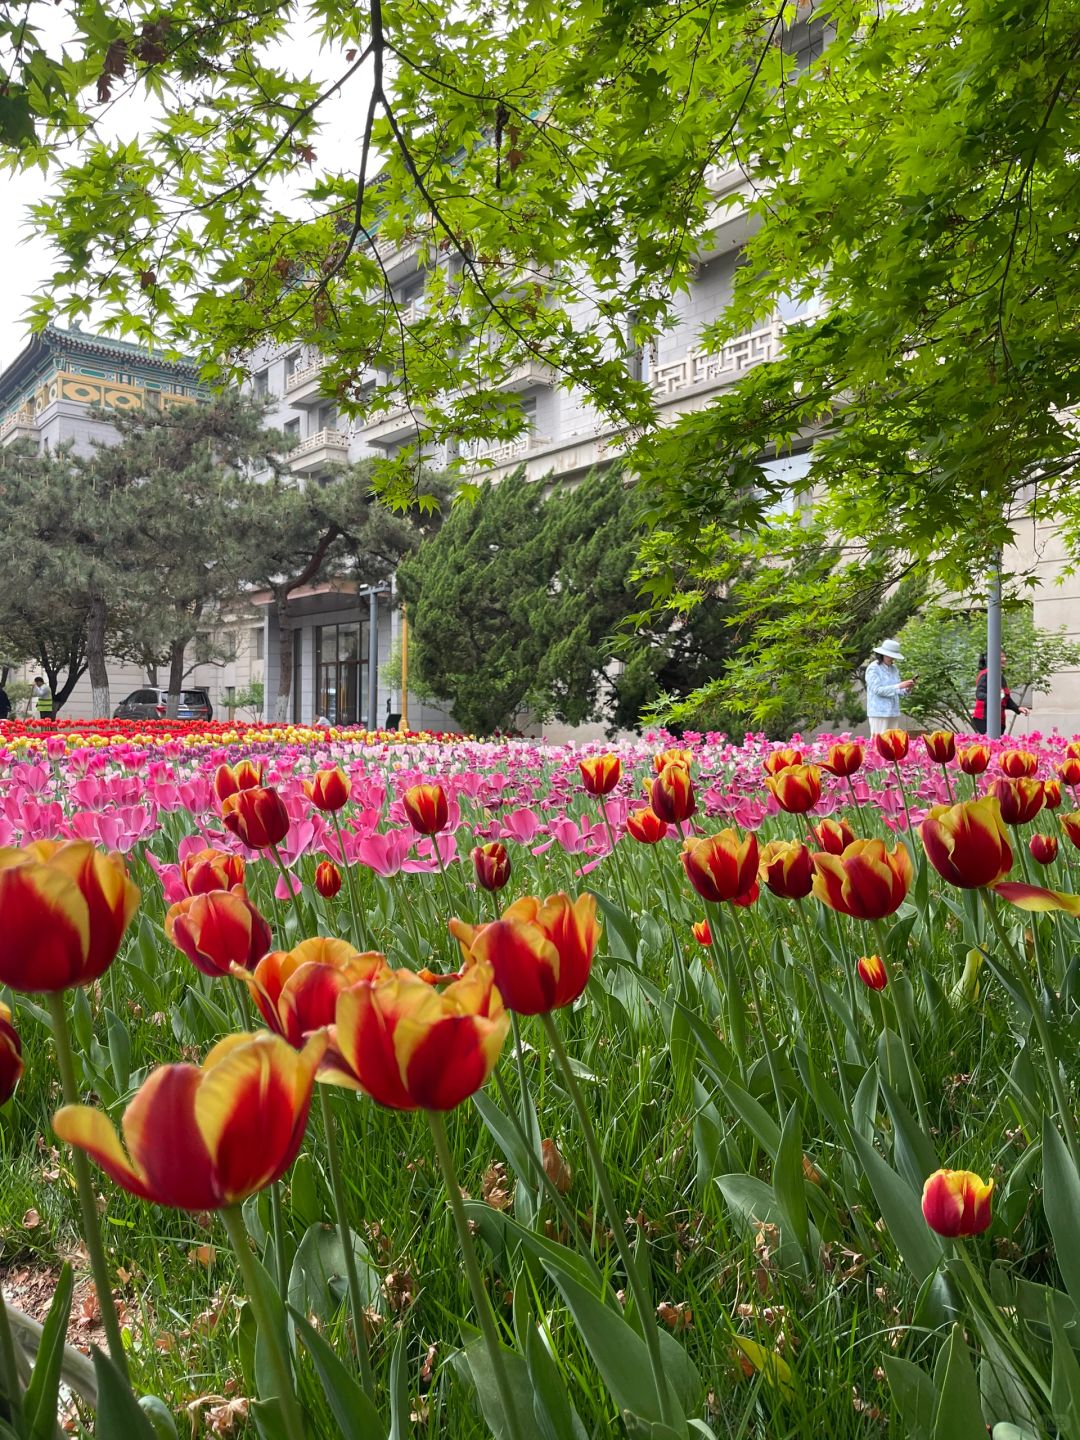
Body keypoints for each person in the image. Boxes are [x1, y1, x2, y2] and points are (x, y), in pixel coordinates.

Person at [972, 651, 1030, 734]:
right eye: (1001, 657)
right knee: (990, 746)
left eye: (1004, 656)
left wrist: (1017, 708)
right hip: (984, 719)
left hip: (999, 720)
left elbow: (1006, 698)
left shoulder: (1000, 676)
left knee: (998, 746)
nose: (1005, 659)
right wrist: (995, 698)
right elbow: (979, 694)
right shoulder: (985, 674)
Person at [865, 639, 915, 735]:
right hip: (879, 712)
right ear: (882, 654)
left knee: (892, 742)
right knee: (878, 742)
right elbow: (877, 690)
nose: (892, 658)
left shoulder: (894, 668)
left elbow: (898, 690)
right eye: (889, 655)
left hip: (893, 711)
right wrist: (900, 685)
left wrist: (907, 688)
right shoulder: (873, 668)